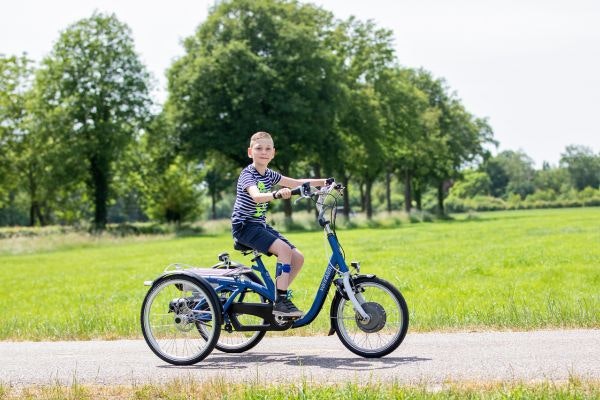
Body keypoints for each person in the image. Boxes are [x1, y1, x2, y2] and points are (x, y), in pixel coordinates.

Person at [231, 131, 328, 318]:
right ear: (250, 152)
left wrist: (325, 181)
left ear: (273, 153)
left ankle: (277, 297)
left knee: (297, 257)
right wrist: (277, 194)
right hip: (244, 226)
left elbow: (295, 182)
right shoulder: (247, 174)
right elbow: (256, 197)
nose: (264, 152)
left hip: (259, 225)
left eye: (268, 149)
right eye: (259, 148)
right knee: (284, 250)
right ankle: (281, 302)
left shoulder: (269, 174)